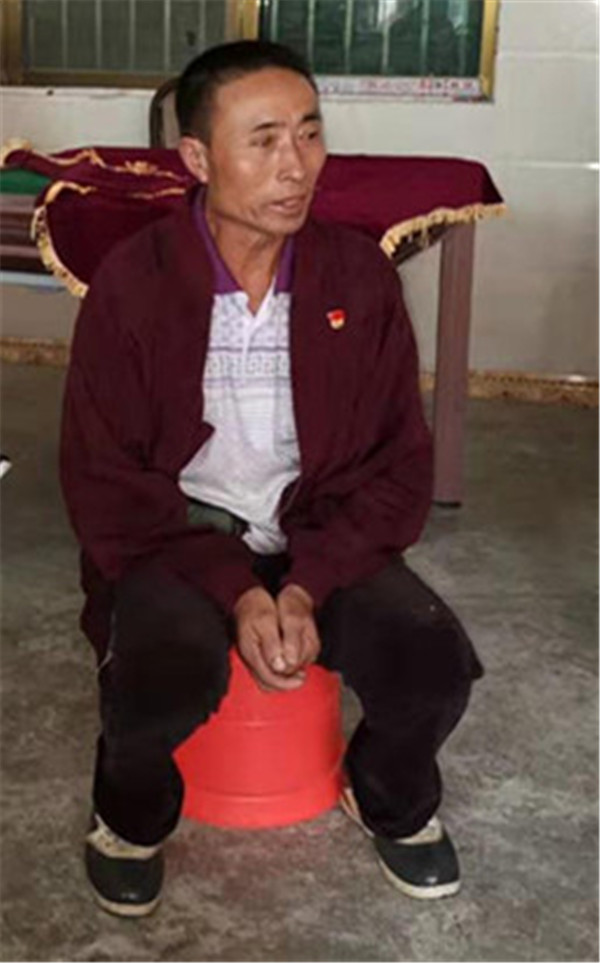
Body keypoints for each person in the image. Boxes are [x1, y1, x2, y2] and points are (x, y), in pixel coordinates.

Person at [60, 39, 483, 918]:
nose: (296, 166)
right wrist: (238, 590)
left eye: (309, 133)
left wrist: (306, 582)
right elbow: (105, 481)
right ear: (196, 158)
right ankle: (129, 816)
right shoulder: (135, 285)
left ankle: (387, 793)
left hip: (319, 527)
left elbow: (399, 464)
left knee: (432, 660)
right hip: (177, 537)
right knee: (159, 671)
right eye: (263, 141)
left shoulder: (356, 277)